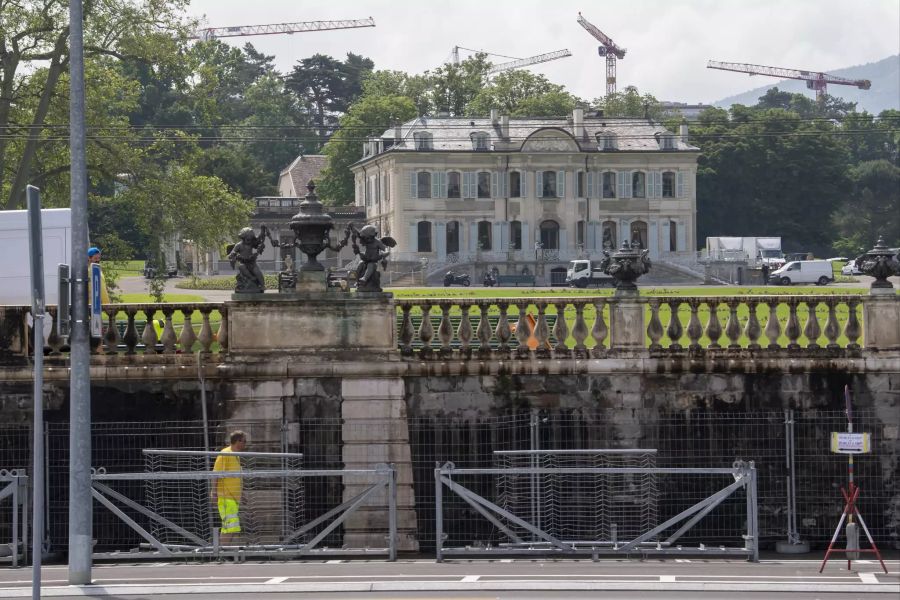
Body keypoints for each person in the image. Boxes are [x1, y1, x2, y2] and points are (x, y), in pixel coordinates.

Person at [212, 430, 247, 545]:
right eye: (244, 441)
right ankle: (222, 553)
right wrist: (214, 492)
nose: (245, 444)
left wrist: (242, 495)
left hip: (232, 498)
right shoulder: (225, 453)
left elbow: (237, 479)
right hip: (226, 497)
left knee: (229, 526)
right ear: (237, 441)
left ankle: (222, 552)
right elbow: (216, 473)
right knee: (229, 526)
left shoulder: (235, 455)